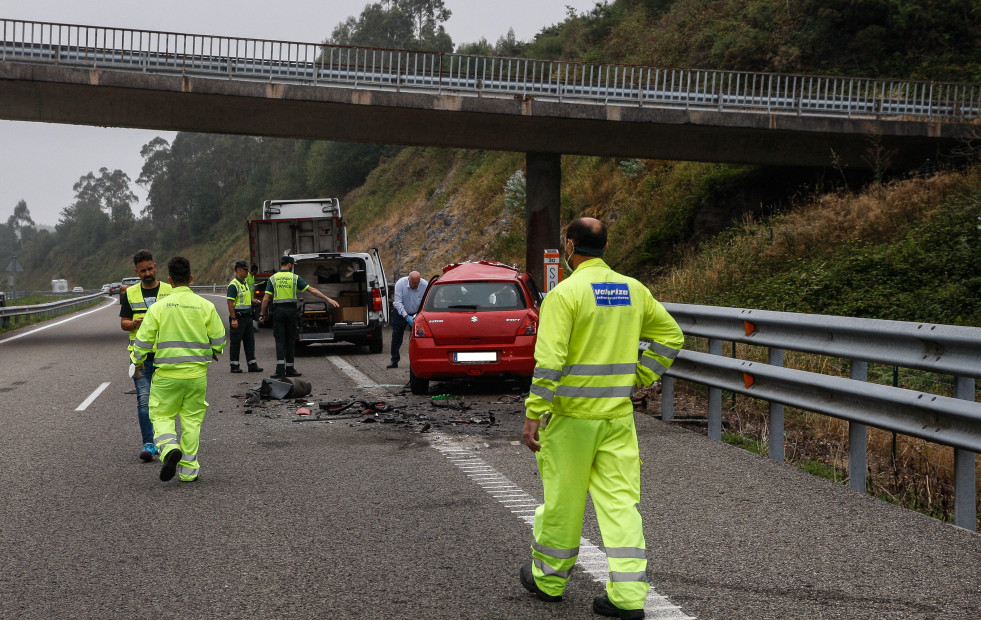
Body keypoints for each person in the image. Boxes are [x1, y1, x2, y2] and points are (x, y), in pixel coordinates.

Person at [519, 218, 684, 619]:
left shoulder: (565, 294)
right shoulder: (633, 290)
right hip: (617, 419)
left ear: (570, 246)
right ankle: (628, 598)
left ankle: (549, 580)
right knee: (621, 505)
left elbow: (551, 361)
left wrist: (534, 413)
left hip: (572, 420)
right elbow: (672, 337)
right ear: (605, 246)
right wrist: (640, 375)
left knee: (563, 501)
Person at [131, 256, 225, 483]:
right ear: (191, 279)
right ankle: (189, 471)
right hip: (196, 375)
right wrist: (214, 351)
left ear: (169, 280)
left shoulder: (158, 308)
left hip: (167, 376)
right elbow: (219, 340)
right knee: (192, 421)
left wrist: (137, 359)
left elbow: (143, 341)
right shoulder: (206, 306)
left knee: (161, 415)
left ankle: (168, 448)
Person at [119, 249, 172, 462]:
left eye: (150, 269)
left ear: (155, 267)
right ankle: (149, 444)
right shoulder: (129, 294)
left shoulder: (170, 290)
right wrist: (133, 323)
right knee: (143, 401)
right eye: (143, 271)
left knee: (166, 402)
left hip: (166, 356)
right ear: (136, 272)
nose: (147, 273)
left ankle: (166, 441)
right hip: (140, 357)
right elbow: (123, 323)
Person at [260, 255, 339, 379]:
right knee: (291, 339)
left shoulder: (273, 278)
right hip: (291, 311)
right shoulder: (294, 278)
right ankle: (290, 369)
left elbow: (265, 299)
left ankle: (280, 370)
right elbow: (312, 290)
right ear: (290, 265)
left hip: (278, 311)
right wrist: (327, 299)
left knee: (280, 340)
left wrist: (262, 314)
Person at [226, 260, 263, 374]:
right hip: (239, 317)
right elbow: (230, 302)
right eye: (245, 269)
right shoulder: (234, 285)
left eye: (247, 269)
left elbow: (246, 297)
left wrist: (254, 300)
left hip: (247, 318)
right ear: (238, 270)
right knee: (236, 342)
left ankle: (252, 365)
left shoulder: (245, 283)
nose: (247, 271)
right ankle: (234, 365)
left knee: (250, 342)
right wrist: (233, 319)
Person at [387, 270, 428, 369]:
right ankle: (394, 360)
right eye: (414, 282)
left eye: (418, 282)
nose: (416, 285)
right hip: (401, 312)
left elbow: (426, 301)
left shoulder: (425, 285)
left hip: (416, 313)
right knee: (397, 336)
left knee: (421, 336)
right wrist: (406, 317)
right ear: (409, 279)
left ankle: (421, 359)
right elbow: (398, 303)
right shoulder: (400, 284)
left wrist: (420, 315)